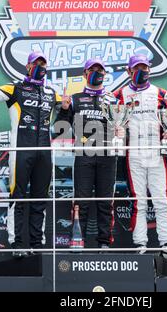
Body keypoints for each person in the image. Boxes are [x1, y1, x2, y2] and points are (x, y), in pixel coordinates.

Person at [0, 51, 61, 257]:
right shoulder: (16, 88)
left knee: (40, 198)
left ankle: (37, 245)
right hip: (21, 150)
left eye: (43, 63)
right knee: (18, 196)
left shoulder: (51, 92)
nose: (40, 67)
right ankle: (17, 243)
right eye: (36, 63)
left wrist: (65, 108)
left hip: (45, 153)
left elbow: (64, 114)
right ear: (28, 67)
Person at [113, 54, 167, 261]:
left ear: (150, 69)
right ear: (129, 71)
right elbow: (110, 119)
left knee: (161, 200)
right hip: (133, 153)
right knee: (138, 201)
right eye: (137, 68)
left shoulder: (161, 93)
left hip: (157, 153)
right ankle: (140, 244)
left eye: (145, 67)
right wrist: (116, 130)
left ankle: (166, 244)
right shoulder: (119, 94)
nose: (142, 71)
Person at [55, 58, 121, 249]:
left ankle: (104, 243)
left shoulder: (112, 99)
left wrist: (120, 131)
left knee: (105, 202)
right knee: (81, 202)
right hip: (83, 154)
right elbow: (60, 129)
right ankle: (78, 239)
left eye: (100, 70)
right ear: (85, 74)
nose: (97, 73)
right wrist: (64, 109)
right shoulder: (75, 98)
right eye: (92, 70)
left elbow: (122, 125)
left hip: (108, 155)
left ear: (105, 74)